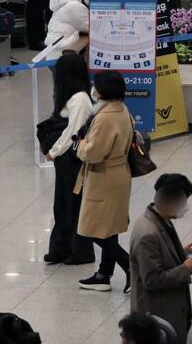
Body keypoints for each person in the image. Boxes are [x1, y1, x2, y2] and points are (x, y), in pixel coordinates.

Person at [73, 69, 136, 292]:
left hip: (103, 178)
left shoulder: (104, 117)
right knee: (109, 228)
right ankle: (103, 274)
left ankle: (130, 267)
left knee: (93, 228)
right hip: (119, 174)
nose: (93, 89)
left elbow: (93, 153)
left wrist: (80, 144)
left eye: (96, 85)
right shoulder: (122, 109)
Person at [42, 51, 97, 267]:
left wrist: (53, 151)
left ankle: (80, 250)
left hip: (74, 160)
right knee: (62, 205)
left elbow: (72, 132)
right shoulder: (71, 96)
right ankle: (61, 247)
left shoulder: (79, 99)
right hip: (66, 160)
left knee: (74, 206)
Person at [129, 172, 192, 339]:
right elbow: (151, 280)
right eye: (184, 201)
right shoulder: (147, 234)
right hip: (157, 316)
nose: (186, 207)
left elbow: (159, 255)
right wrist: (185, 269)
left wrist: (180, 252)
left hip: (170, 310)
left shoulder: (161, 219)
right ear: (171, 201)